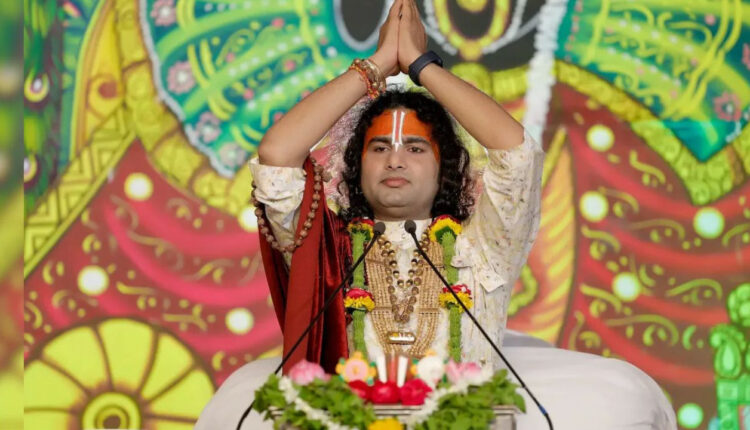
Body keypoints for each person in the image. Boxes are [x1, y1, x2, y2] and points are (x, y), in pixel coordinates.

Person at [196, 0, 677, 428]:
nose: (395, 160)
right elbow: (278, 158)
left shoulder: (481, 246)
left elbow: (516, 155)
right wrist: (376, 67)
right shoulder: (329, 252)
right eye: (379, 148)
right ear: (355, 165)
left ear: (444, 166)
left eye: (415, 148)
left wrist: (421, 65)